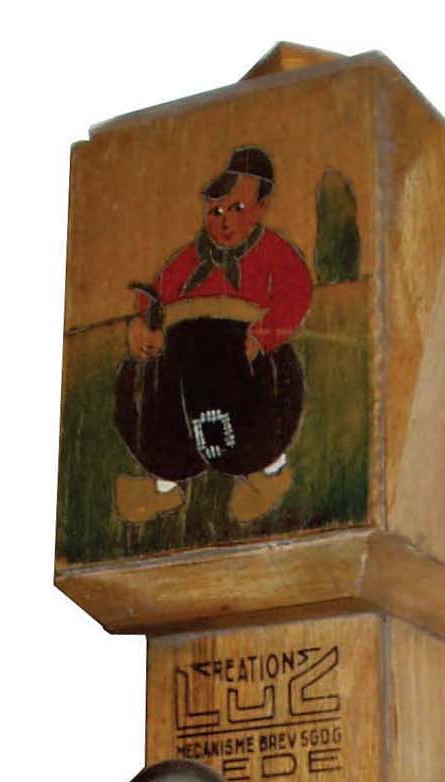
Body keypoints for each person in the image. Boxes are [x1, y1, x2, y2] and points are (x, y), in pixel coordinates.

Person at [115, 146, 312, 526]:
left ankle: (268, 475)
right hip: (188, 361)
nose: (225, 222)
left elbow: (296, 294)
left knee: (250, 418)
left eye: (237, 208)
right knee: (165, 408)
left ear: (262, 207)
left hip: (244, 356)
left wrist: (261, 337)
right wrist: (145, 325)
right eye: (216, 211)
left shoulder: (274, 253)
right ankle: (164, 486)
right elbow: (155, 297)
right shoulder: (188, 260)